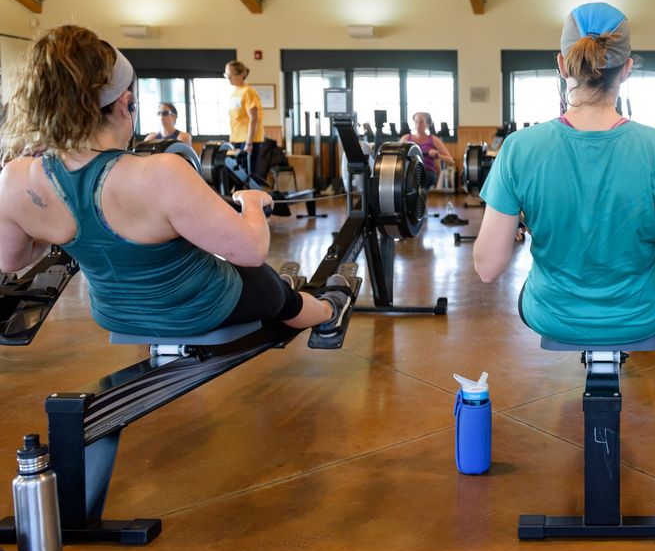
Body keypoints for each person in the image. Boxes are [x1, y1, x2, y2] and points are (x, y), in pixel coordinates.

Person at [0, 26, 351, 341]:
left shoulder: (15, 179)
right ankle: (329, 310)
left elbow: (11, 259)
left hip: (115, 316)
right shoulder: (161, 172)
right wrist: (253, 205)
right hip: (201, 309)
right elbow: (251, 251)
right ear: (126, 102)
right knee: (271, 286)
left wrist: (54, 225)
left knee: (257, 281)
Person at [472, 2, 655, 346]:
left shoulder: (518, 148)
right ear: (627, 69)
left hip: (551, 315)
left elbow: (487, 267)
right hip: (643, 315)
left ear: (561, 64)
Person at [224, 60, 264, 175]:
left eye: (231, 76)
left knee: (246, 174)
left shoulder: (248, 92)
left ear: (241, 75)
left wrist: (249, 143)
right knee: (236, 173)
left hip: (248, 139)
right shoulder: (235, 93)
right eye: (226, 75)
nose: (228, 78)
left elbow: (254, 119)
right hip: (236, 138)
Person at [399, 111, 454, 189]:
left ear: (427, 124)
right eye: (416, 121)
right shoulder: (406, 138)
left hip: (427, 172)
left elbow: (451, 161)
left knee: (418, 178)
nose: (418, 125)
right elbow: (397, 156)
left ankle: (420, 197)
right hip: (409, 172)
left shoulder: (434, 140)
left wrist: (437, 154)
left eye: (421, 122)